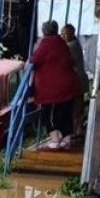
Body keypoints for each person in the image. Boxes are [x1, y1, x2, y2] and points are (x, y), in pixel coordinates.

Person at [30, 20, 79, 149]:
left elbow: (34, 59)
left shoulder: (46, 43)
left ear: (44, 32)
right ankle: (66, 139)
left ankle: (55, 140)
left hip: (52, 89)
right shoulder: (62, 43)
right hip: (68, 85)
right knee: (65, 113)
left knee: (49, 115)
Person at [61, 23, 90, 137]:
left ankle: (76, 130)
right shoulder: (75, 43)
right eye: (62, 33)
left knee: (76, 108)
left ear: (72, 34)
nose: (63, 36)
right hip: (79, 80)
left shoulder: (71, 46)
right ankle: (77, 129)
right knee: (78, 106)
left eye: (65, 34)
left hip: (77, 81)